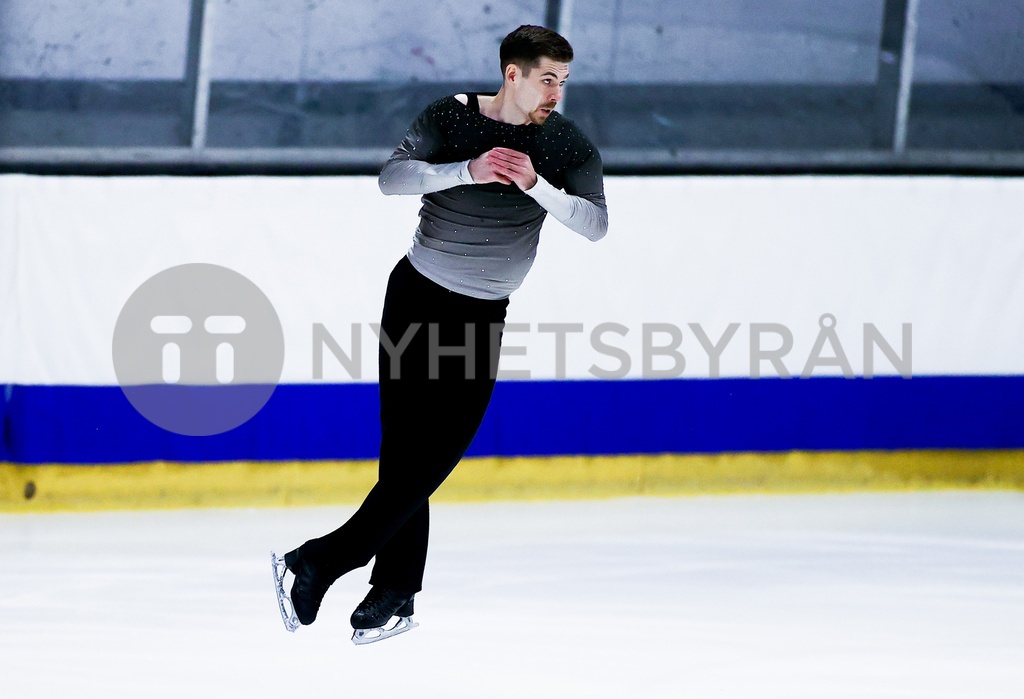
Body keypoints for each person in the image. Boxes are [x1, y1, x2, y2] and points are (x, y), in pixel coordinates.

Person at [274, 24, 608, 643]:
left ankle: (324, 560)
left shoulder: (565, 145)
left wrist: (539, 187)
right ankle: (392, 591)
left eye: (563, 80)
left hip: (481, 315)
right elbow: (391, 179)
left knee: (435, 452)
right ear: (513, 74)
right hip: (415, 296)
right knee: (407, 454)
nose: (556, 91)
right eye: (547, 78)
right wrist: (467, 170)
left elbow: (595, 225)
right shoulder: (451, 119)